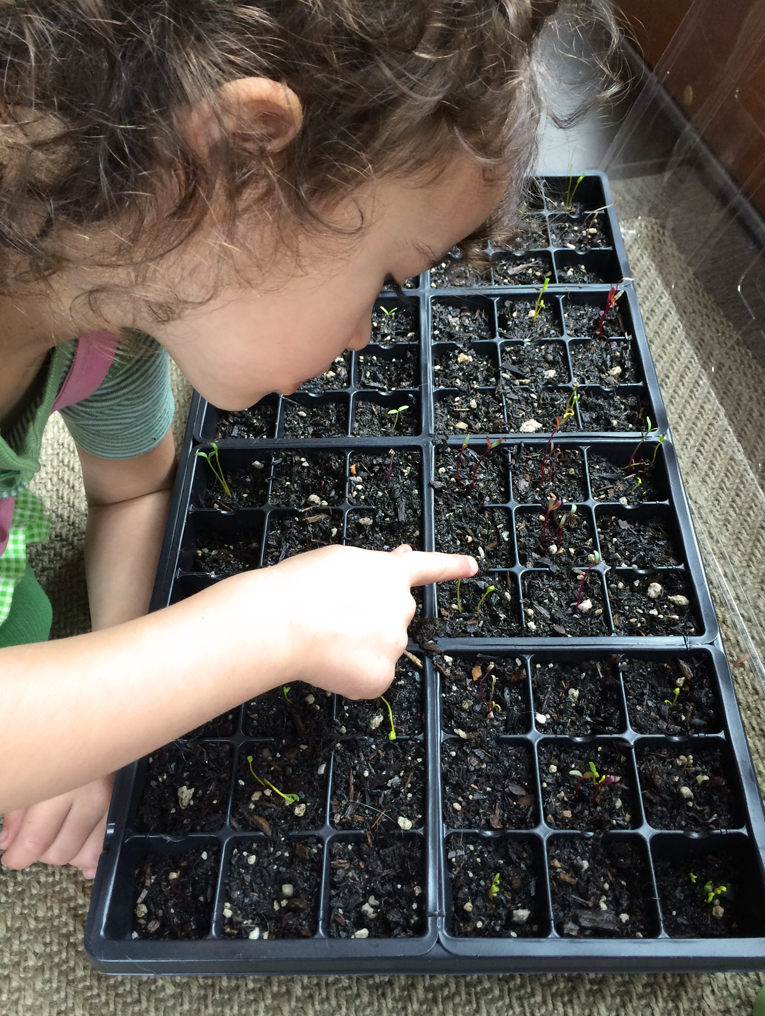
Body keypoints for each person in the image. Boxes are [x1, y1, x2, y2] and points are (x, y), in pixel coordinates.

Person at [0, 1, 614, 878]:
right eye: (386, 280)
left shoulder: (113, 324)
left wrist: (97, 722)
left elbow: (131, 490)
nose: (367, 335)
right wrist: (273, 622)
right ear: (239, 163)